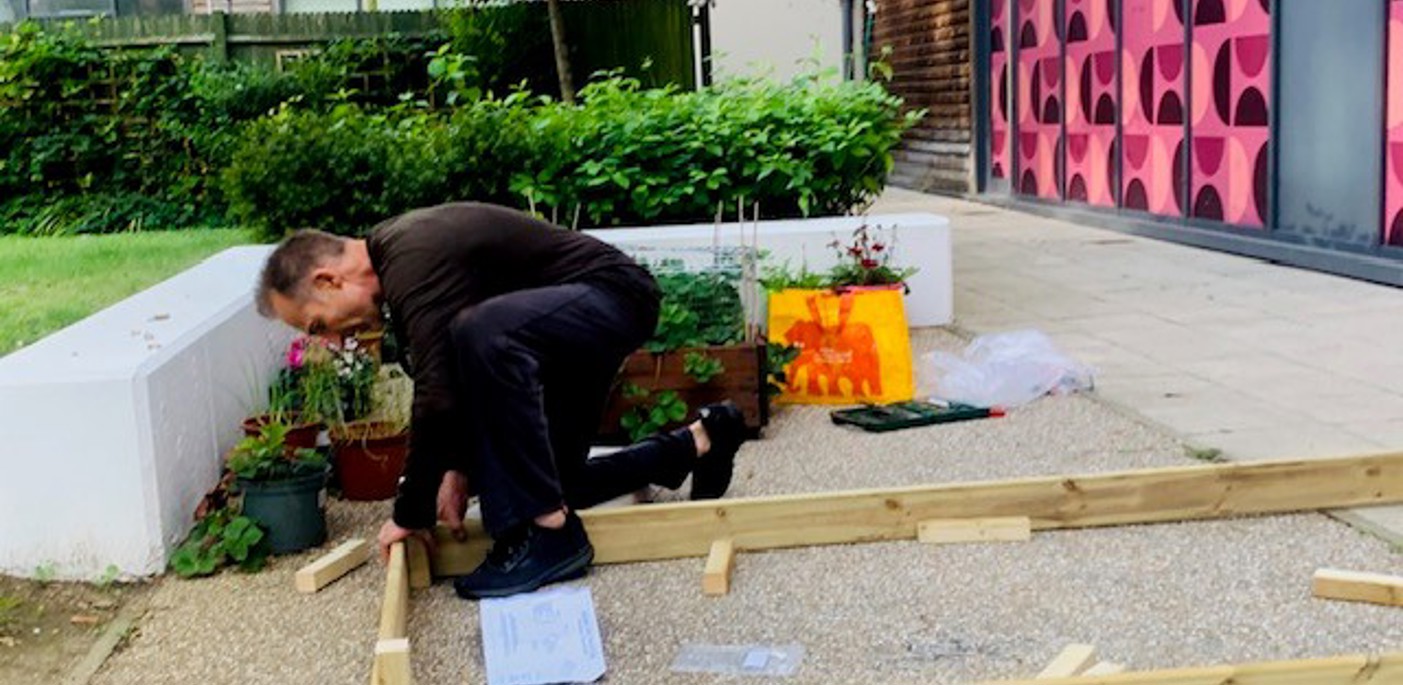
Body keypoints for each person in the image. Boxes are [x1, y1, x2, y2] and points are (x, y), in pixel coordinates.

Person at [255, 202, 747, 599]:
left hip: (613, 296)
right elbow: (458, 379)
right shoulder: (402, 264)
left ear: (327, 280)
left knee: (484, 333)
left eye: (317, 326)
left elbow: (439, 394)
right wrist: (456, 468)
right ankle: (702, 440)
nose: (333, 342)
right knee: (553, 485)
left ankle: (554, 537)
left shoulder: (410, 254)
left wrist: (410, 512)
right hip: (561, 330)